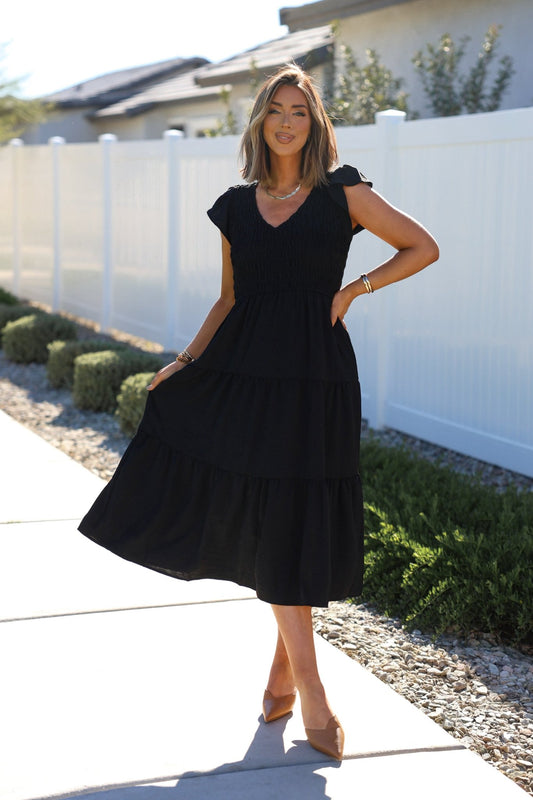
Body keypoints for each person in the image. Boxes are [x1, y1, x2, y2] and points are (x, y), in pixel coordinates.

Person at [79, 64, 438, 761]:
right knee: (272, 508)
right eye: (274, 109)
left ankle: (288, 678)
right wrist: (184, 363)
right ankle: (304, 686)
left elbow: (420, 247)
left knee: (294, 508)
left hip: (314, 376)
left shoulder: (343, 192)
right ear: (258, 121)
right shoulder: (236, 208)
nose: (285, 121)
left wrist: (354, 289)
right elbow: (229, 299)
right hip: (243, 372)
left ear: (315, 123)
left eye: (298, 110)